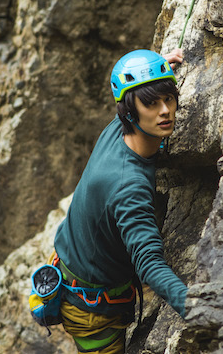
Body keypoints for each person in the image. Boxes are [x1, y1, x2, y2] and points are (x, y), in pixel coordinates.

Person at [52, 48, 187, 354]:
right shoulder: (129, 186)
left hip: (75, 267)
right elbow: (149, 263)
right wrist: (193, 305)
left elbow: (130, 94)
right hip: (91, 311)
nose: (165, 111)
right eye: (151, 104)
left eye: (169, 99)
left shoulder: (118, 130)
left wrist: (156, 69)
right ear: (130, 111)